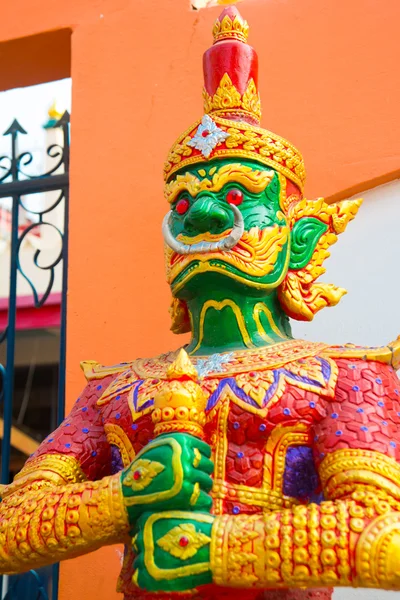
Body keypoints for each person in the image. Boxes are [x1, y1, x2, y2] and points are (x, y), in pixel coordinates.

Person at [1, 7, 400, 600]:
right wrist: (126, 494)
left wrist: (217, 546)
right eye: (184, 204)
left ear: (301, 238)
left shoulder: (345, 378)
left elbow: (386, 533)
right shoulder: (117, 390)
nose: (207, 216)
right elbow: (10, 529)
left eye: (238, 194)